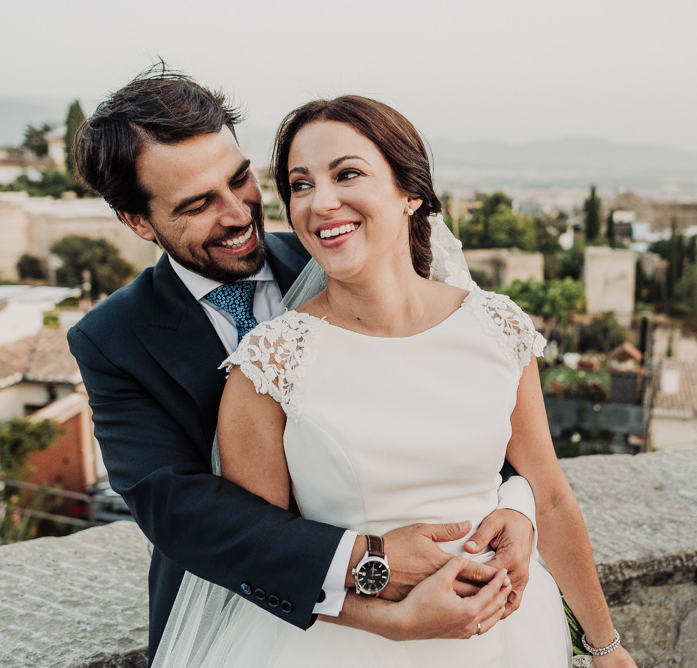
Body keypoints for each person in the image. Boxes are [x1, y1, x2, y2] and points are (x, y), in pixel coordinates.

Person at [67, 67, 541, 663]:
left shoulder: (337, 248)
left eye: (240, 180)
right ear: (138, 222)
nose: (238, 213)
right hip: (240, 612)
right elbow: (179, 508)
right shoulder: (113, 338)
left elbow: (455, 407)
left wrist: (517, 509)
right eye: (197, 204)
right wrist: (371, 570)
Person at [152, 96, 637, 667]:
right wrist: (389, 621)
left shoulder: (498, 327)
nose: (321, 202)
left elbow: (550, 496)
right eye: (300, 185)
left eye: (347, 174)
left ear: (411, 192)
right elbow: (262, 552)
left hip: (505, 641)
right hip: (338, 647)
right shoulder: (269, 364)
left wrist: (606, 647)